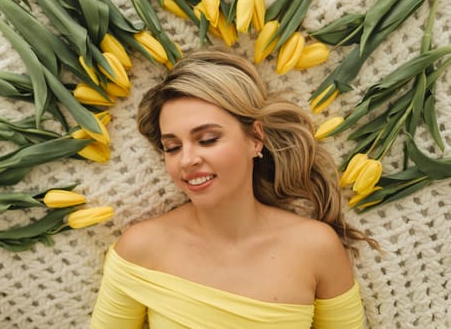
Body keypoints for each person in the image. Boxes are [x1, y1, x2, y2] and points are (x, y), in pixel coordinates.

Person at [89, 49, 379, 328]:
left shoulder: (317, 248)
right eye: (173, 147)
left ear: (254, 138)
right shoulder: (141, 248)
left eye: (208, 139)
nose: (187, 160)